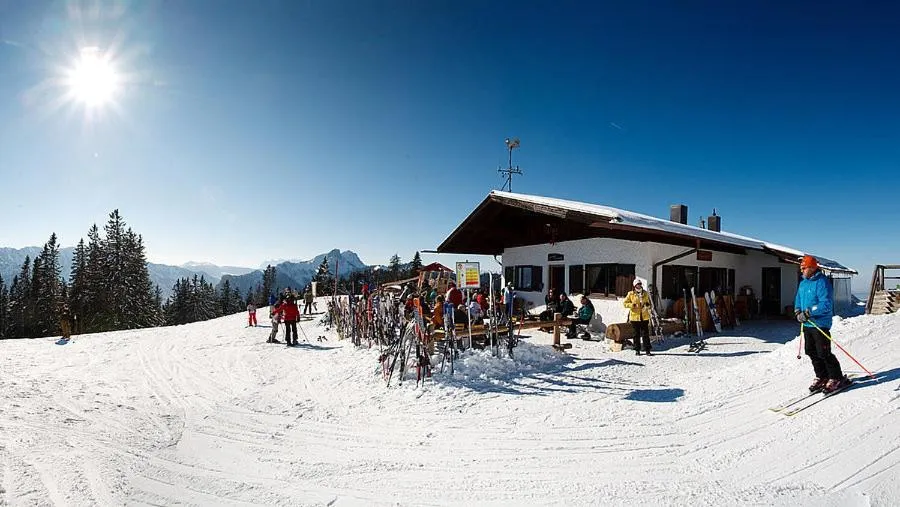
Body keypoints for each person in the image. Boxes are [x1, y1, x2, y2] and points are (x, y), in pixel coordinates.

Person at [795, 255, 850, 393]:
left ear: (812, 268)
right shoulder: (803, 283)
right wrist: (797, 311)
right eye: (801, 267)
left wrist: (808, 312)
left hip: (820, 324)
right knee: (810, 351)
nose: (801, 270)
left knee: (823, 352)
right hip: (807, 324)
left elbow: (825, 304)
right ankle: (822, 376)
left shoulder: (822, 282)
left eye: (804, 267)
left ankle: (836, 377)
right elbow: (798, 299)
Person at [623, 278, 652, 355]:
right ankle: (637, 349)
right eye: (637, 284)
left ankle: (647, 349)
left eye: (640, 284)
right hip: (635, 317)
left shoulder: (645, 293)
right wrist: (632, 305)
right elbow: (625, 303)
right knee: (636, 334)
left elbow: (649, 303)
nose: (639, 286)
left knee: (645, 334)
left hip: (644, 317)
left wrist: (647, 305)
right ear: (634, 286)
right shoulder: (631, 294)